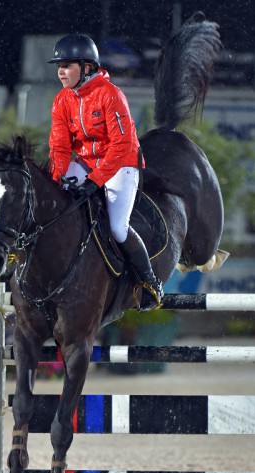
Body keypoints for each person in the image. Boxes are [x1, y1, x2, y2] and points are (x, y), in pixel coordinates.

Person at [48, 34, 163, 312]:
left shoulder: (111, 95)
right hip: (87, 163)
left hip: (121, 164)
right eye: (59, 65)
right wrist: (53, 183)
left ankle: (149, 282)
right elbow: (60, 148)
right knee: (52, 208)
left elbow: (121, 145)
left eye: (67, 65)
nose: (61, 71)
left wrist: (94, 181)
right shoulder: (62, 100)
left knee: (117, 228)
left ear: (87, 67)